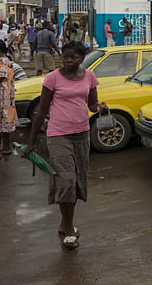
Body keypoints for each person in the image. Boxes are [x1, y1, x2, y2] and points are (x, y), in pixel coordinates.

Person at [24, 41, 108, 250]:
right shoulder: (52, 78)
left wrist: (100, 108)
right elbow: (41, 112)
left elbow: (91, 104)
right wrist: (31, 143)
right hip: (58, 135)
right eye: (65, 56)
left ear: (82, 58)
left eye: (74, 57)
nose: (68, 60)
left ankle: (64, 222)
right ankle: (69, 228)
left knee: (77, 180)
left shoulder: (89, 76)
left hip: (82, 134)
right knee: (66, 180)